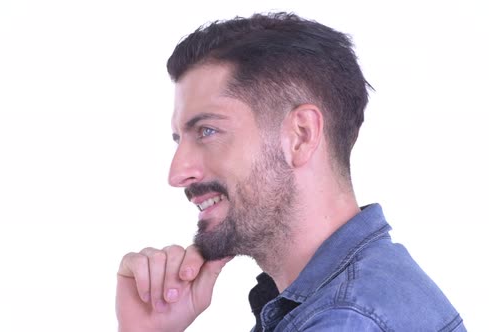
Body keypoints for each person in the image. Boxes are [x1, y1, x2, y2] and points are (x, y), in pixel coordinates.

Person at [115, 12, 465, 331]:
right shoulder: (341, 298)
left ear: (300, 136)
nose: (178, 173)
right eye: (179, 139)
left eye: (207, 131)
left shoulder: (345, 319)